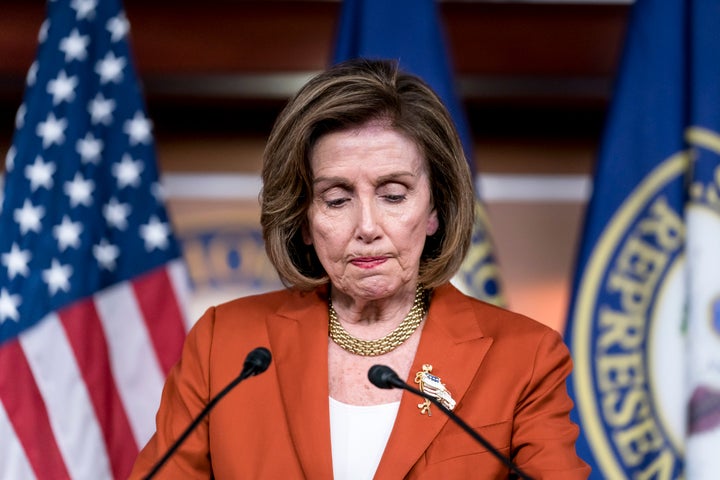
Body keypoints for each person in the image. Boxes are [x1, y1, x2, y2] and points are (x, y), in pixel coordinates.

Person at [129, 58, 590, 479]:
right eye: (336, 199)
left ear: (435, 209)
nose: (367, 227)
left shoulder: (523, 357)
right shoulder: (226, 346)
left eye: (393, 195)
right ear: (303, 219)